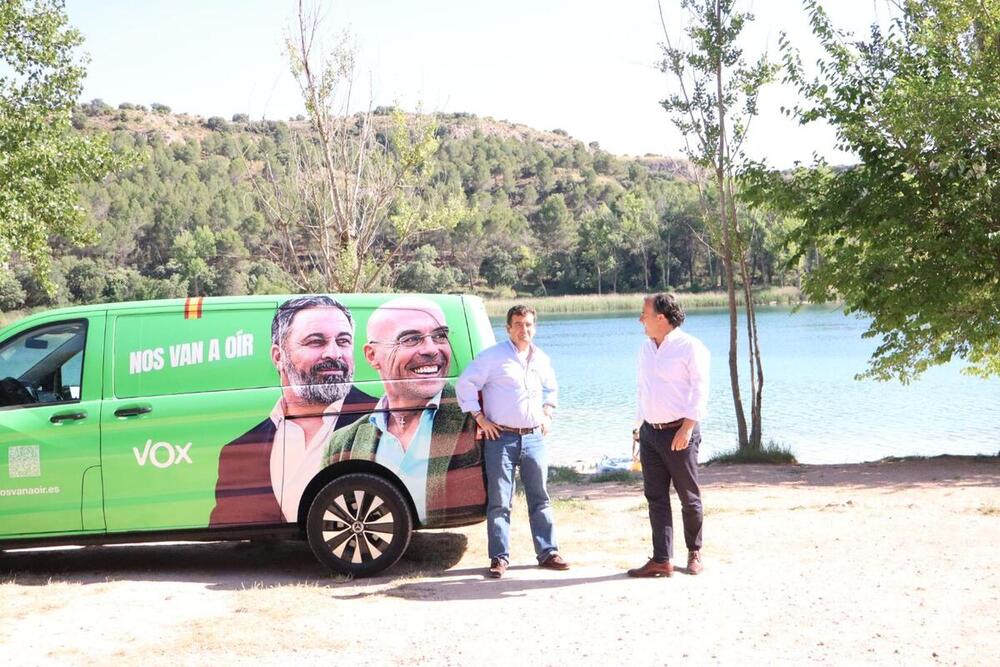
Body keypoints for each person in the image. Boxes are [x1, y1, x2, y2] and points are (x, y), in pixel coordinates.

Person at [210, 296, 376, 526]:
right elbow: (228, 526)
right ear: (279, 357)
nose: (334, 353)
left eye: (343, 341)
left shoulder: (385, 421)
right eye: (316, 342)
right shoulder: (237, 452)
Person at [324, 296, 484, 526]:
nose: (431, 349)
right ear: (372, 356)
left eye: (440, 336)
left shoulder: (473, 416)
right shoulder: (342, 443)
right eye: (410, 339)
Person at [456, 304, 567, 578]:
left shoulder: (541, 358)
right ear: (508, 328)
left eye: (528, 324)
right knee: (500, 501)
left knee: (540, 497)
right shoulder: (493, 358)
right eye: (518, 324)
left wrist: (548, 414)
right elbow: (465, 384)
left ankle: (548, 552)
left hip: (534, 438)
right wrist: (481, 419)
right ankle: (499, 558)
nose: (524, 329)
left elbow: (552, 388)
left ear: (534, 327)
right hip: (501, 439)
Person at [627, 293, 710, 578]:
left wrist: (687, 428)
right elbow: (642, 389)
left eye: (644, 314)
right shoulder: (645, 349)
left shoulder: (690, 347)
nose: (640, 319)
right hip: (650, 432)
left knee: (689, 496)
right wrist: (638, 427)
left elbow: (700, 391)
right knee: (655, 497)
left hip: (680, 432)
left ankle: (694, 552)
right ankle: (662, 559)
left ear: (660, 318)